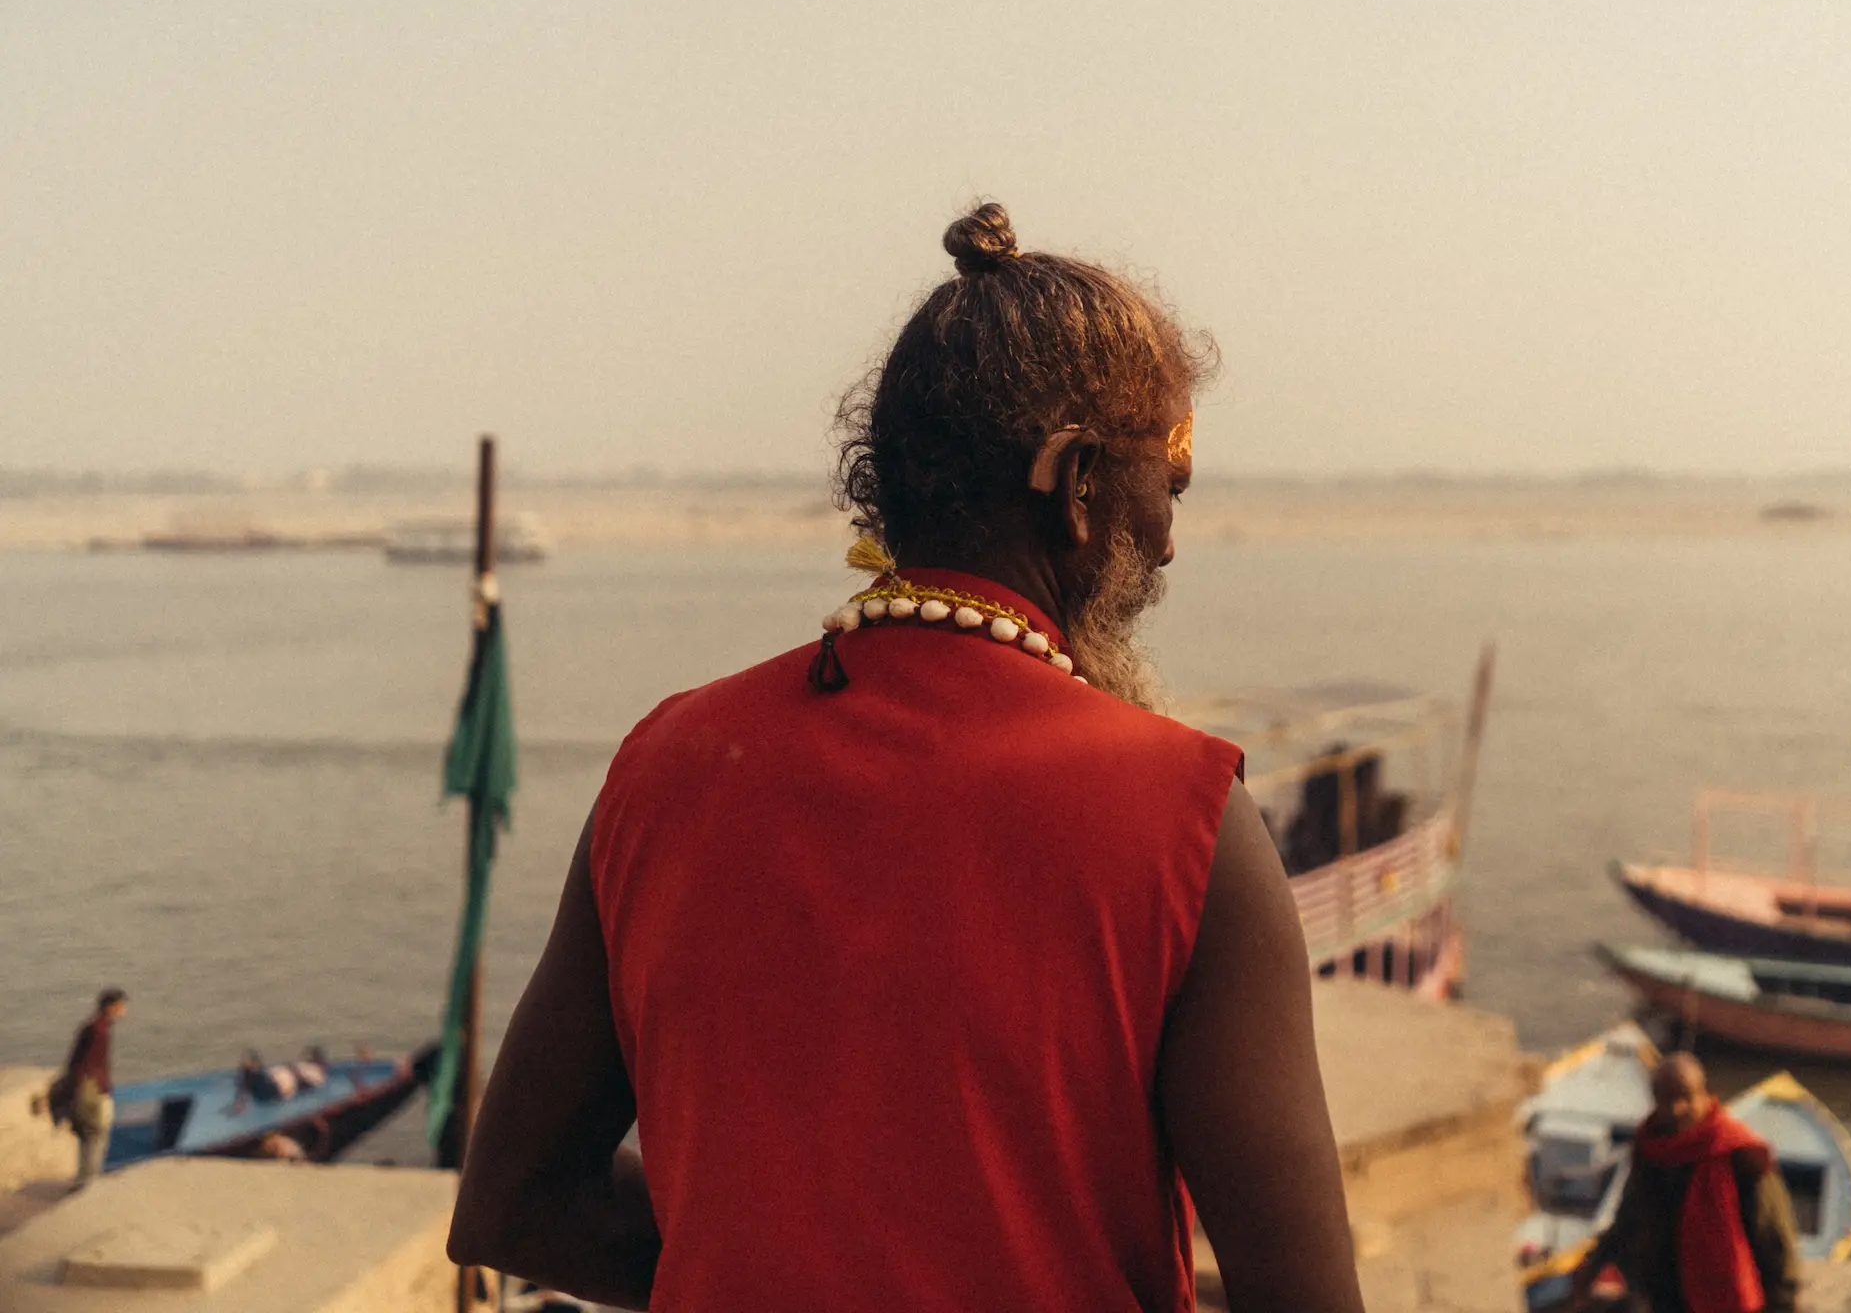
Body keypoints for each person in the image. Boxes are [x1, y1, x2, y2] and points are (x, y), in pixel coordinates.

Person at [449, 204, 1366, 1313]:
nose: (1168, 540)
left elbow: (511, 1205)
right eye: (1163, 488)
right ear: (1076, 484)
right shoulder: (1182, 814)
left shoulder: (663, 766)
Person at [1565, 1053, 1799, 1313]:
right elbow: (1629, 1217)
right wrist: (1593, 1265)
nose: (1676, 1110)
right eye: (1666, 1101)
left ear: (1705, 1095)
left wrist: (1783, 1306)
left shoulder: (1742, 1155)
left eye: (1684, 1098)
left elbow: (1775, 1242)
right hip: (1666, 1293)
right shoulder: (1651, 1150)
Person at [60, 988, 127, 1190]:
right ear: (111, 1007)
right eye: (121, 1006)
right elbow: (91, 1063)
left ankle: (83, 1179)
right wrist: (100, 1088)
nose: (124, 1011)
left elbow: (75, 1060)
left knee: (88, 1136)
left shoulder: (94, 1026)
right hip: (93, 1091)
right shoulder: (99, 1030)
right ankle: (89, 1182)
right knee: (97, 1135)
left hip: (86, 1088)